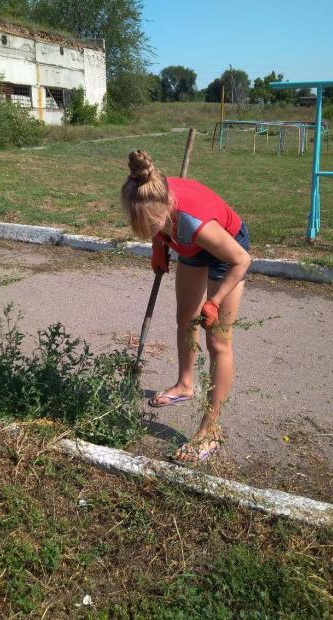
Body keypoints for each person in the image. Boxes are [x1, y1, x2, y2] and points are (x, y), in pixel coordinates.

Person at [121, 150, 251, 464]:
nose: (151, 230)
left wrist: (214, 301)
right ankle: (184, 385)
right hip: (188, 244)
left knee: (218, 341)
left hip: (227, 251)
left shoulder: (194, 224)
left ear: (168, 209)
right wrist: (159, 245)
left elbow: (242, 260)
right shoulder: (148, 190)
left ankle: (210, 432)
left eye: (154, 226)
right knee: (185, 319)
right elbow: (156, 224)